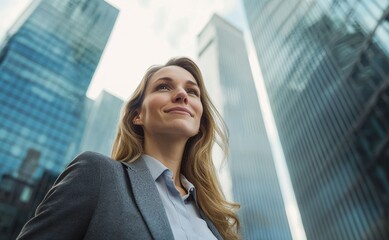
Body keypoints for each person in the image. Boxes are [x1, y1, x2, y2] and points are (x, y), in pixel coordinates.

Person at [17, 57, 240, 240]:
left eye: (192, 92)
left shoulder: (214, 216)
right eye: (163, 86)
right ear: (137, 115)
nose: (182, 95)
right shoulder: (98, 174)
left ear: (199, 121)